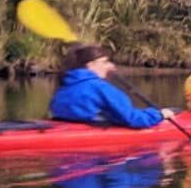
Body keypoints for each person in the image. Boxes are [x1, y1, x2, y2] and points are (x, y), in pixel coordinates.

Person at [48, 44, 177, 129]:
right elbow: (132, 119)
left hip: (66, 128)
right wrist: (159, 115)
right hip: (89, 135)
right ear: (90, 65)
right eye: (105, 62)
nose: (110, 66)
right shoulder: (100, 87)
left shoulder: (65, 84)